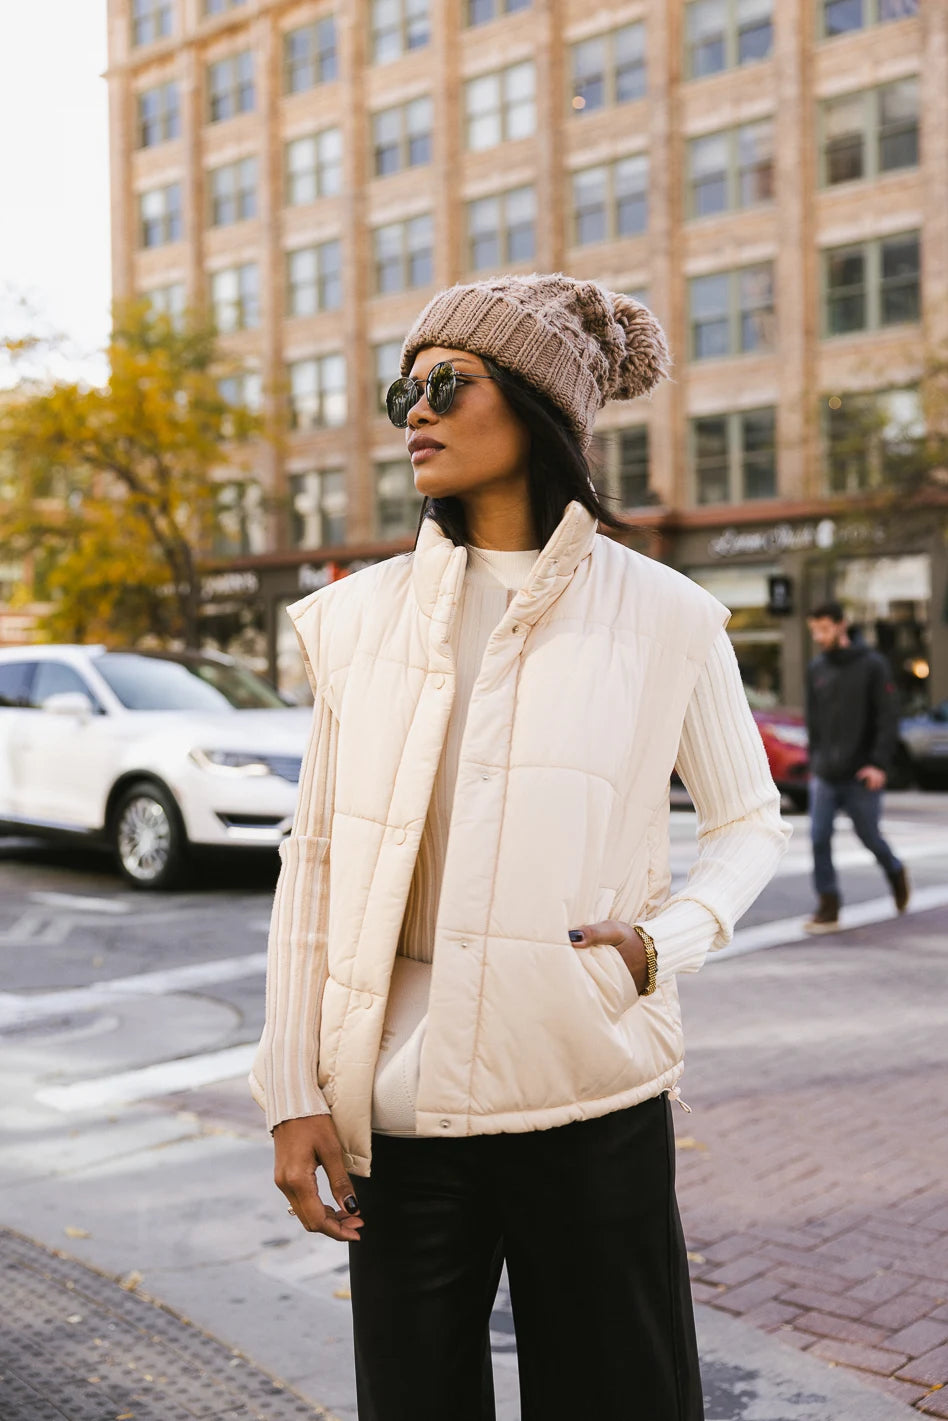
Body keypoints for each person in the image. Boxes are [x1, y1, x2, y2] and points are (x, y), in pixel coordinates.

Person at [250, 274, 791, 1421]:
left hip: (589, 1090)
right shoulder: (358, 620)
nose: (416, 411)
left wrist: (663, 941)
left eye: (448, 382)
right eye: (408, 385)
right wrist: (288, 1084)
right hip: (399, 1114)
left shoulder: (667, 615)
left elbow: (748, 819)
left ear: (541, 404)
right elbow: (317, 858)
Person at [804, 601, 909, 933]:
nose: (819, 636)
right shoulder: (816, 668)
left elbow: (887, 718)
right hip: (825, 773)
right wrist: (815, 759)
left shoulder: (872, 665)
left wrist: (878, 764)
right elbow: (814, 721)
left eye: (824, 629)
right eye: (814, 630)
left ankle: (895, 870)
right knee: (819, 836)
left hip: (861, 773)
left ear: (841, 625)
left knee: (869, 836)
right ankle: (828, 905)